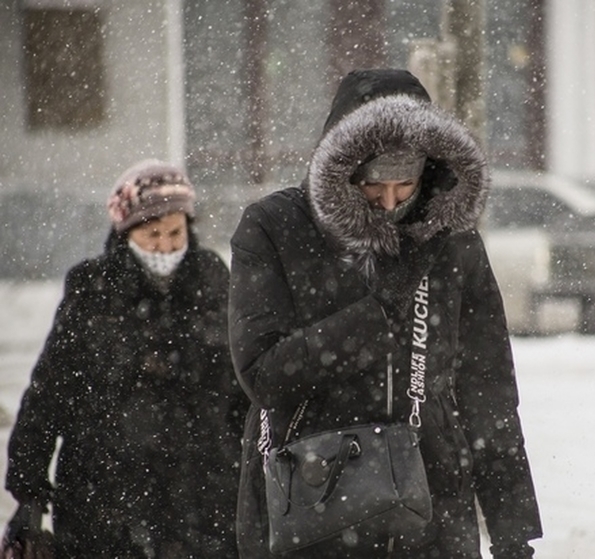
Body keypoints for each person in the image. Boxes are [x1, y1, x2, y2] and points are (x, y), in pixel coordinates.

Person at [229, 69, 542, 558]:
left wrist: (511, 527)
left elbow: (488, 391)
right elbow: (265, 374)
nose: (391, 202)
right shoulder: (274, 226)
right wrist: (379, 312)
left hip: (433, 504)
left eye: (407, 184)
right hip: (310, 497)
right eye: (375, 187)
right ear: (343, 169)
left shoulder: (452, 240)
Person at [4, 159, 247, 558]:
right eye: (152, 235)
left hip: (202, 495)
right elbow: (51, 390)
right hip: (104, 497)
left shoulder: (212, 281)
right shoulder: (92, 289)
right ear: (125, 233)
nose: (166, 246)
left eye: (175, 233)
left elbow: (241, 386)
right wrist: (28, 488)